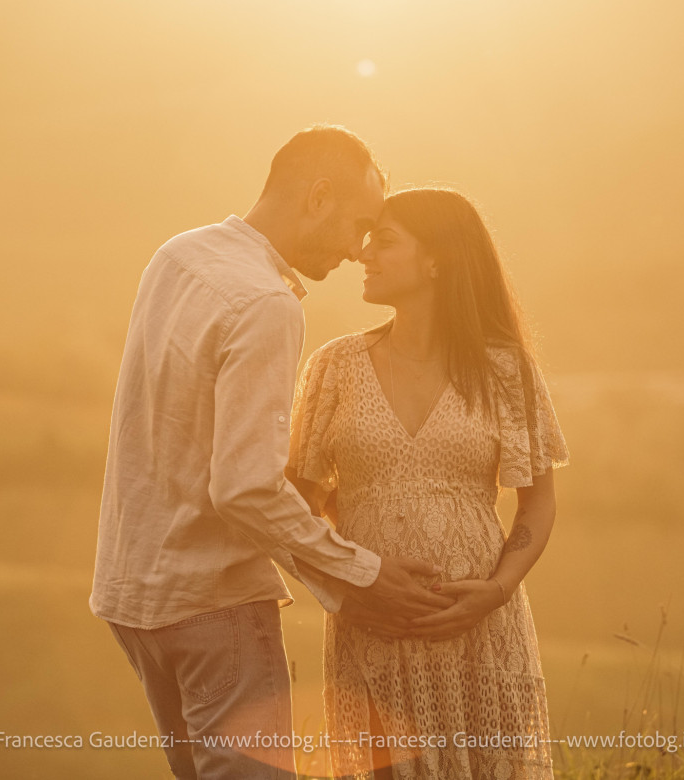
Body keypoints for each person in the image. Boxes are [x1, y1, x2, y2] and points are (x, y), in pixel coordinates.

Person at [90, 127, 452, 780]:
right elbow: (245, 487)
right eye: (359, 224)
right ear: (318, 196)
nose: (358, 249)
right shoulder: (265, 304)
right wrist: (360, 571)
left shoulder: (179, 255)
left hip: (132, 598)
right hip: (211, 605)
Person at [287, 187, 569, 779]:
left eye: (385, 241)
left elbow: (537, 503)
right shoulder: (334, 368)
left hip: (481, 632)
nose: (364, 253)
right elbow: (298, 505)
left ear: (437, 258)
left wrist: (496, 590)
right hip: (373, 627)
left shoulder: (504, 369)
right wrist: (355, 580)